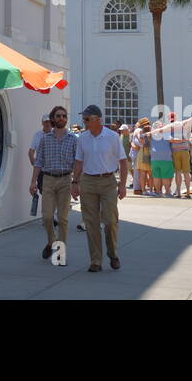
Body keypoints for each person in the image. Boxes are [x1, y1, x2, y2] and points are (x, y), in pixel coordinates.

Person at [71, 104, 128, 272]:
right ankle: (95, 260)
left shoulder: (111, 136)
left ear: (98, 120)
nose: (84, 121)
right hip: (88, 181)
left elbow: (123, 161)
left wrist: (123, 185)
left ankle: (112, 253)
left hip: (108, 181)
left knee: (110, 221)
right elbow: (79, 161)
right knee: (91, 223)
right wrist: (75, 182)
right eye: (84, 119)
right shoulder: (83, 138)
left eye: (87, 119)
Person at [30, 107, 77, 260]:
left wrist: (77, 183)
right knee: (47, 217)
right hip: (48, 179)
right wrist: (33, 182)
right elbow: (38, 161)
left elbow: (78, 163)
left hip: (65, 179)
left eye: (64, 116)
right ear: (53, 119)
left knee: (63, 218)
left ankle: (60, 253)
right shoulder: (45, 138)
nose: (62, 118)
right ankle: (51, 241)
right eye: (58, 116)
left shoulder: (73, 139)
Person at [133, 120, 153, 196]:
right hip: (147, 152)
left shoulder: (140, 132)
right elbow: (143, 142)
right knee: (148, 173)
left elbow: (140, 142)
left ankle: (144, 190)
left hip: (142, 152)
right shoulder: (145, 133)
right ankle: (148, 190)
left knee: (143, 173)